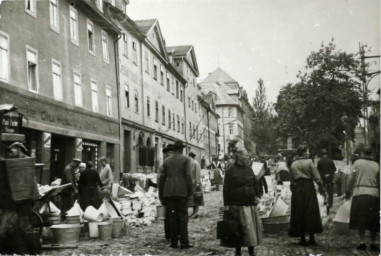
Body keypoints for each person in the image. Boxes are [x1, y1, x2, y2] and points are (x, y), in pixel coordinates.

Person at [222, 147, 262, 256]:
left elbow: (255, 182)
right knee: (238, 230)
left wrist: (258, 195)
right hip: (237, 204)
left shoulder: (249, 168)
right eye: (245, 155)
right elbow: (226, 188)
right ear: (239, 156)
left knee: (251, 231)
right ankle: (238, 252)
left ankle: (251, 252)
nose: (247, 157)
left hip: (250, 203)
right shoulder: (231, 170)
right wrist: (226, 205)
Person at [159, 140, 193, 249]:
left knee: (172, 217)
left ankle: (173, 242)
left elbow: (162, 179)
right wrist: (190, 191)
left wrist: (161, 194)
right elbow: (188, 176)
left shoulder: (166, 161)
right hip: (182, 192)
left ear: (174, 149)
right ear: (182, 149)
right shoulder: (186, 159)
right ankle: (184, 242)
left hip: (169, 193)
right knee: (183, 217)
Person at [289, 145, 326, 245]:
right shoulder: (309, 162)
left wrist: (293, 189)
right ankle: (312, 237)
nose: (308, 153)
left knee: (299, 212)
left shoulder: (293, 164)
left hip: (298, 188)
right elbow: (316, 176)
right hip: (308, 187)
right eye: (307, 151)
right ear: (304, 152)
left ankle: (302, 238)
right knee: (311, 212)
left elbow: (291, 179)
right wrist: (321, 185)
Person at [346, 147, 380, 251]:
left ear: (362, 153)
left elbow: (351, 178)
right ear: (371, 154)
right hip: (373, 194)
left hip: (359, 193)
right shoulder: (377, 165)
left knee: (361, 219)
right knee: (374, 220)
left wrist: (348, 191)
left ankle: (362, 242)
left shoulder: (357, 163)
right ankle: (373, 242)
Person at [157, 144, 175, 242]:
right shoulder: (161, 166)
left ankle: (172, 235)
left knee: (171, 215)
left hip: (171, 194)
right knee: (168, 216)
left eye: (171, 153)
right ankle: (169, 235)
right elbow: (160, 182)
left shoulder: (164, 165)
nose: (169, 155)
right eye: (168, 154)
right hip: (167, 194)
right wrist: (160, 196)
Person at [317, 149, 336, 214]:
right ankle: (330, 204)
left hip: (323, 179)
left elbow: (318, 170)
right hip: (330, 179)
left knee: (322, 190)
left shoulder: (319, 161)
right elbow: (334, 169)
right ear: (326, 154)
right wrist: (329, 174)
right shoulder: (330, 161)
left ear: (321, 154)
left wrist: (323, 175)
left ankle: (324, 200)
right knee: (330, 192)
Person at [188, 152, 204, 218]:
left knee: (197, 197)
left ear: (191, 156)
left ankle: (196, 212)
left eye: (189, 156)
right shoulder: (189, 163)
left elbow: (198, 173)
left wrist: (197, 183)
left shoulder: (195, 163)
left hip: (195, 183)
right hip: (191, 183)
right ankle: (194, 212)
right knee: (193, 199)